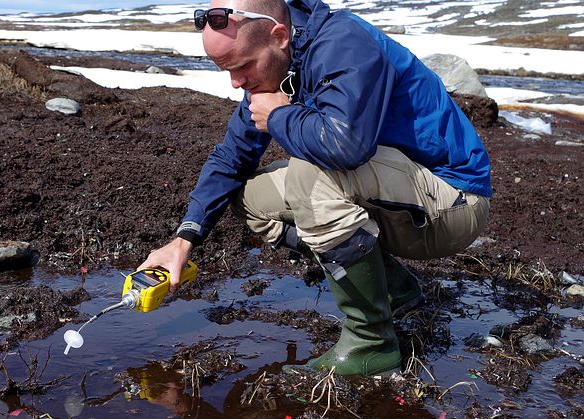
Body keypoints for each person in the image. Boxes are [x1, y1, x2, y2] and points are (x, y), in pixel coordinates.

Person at [138, 0, 491, 377]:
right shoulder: (280, 62)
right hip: (401, 196)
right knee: (251, 195)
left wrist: (278, 115)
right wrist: (185, 237)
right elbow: (231, 159)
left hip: (452, 204)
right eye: (227, 71)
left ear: (279, 35)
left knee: (310, 174)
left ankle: (372, 345)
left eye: (242, 67)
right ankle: (393, 289)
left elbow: (345, 146)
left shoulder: (345, 44)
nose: (236, 83)